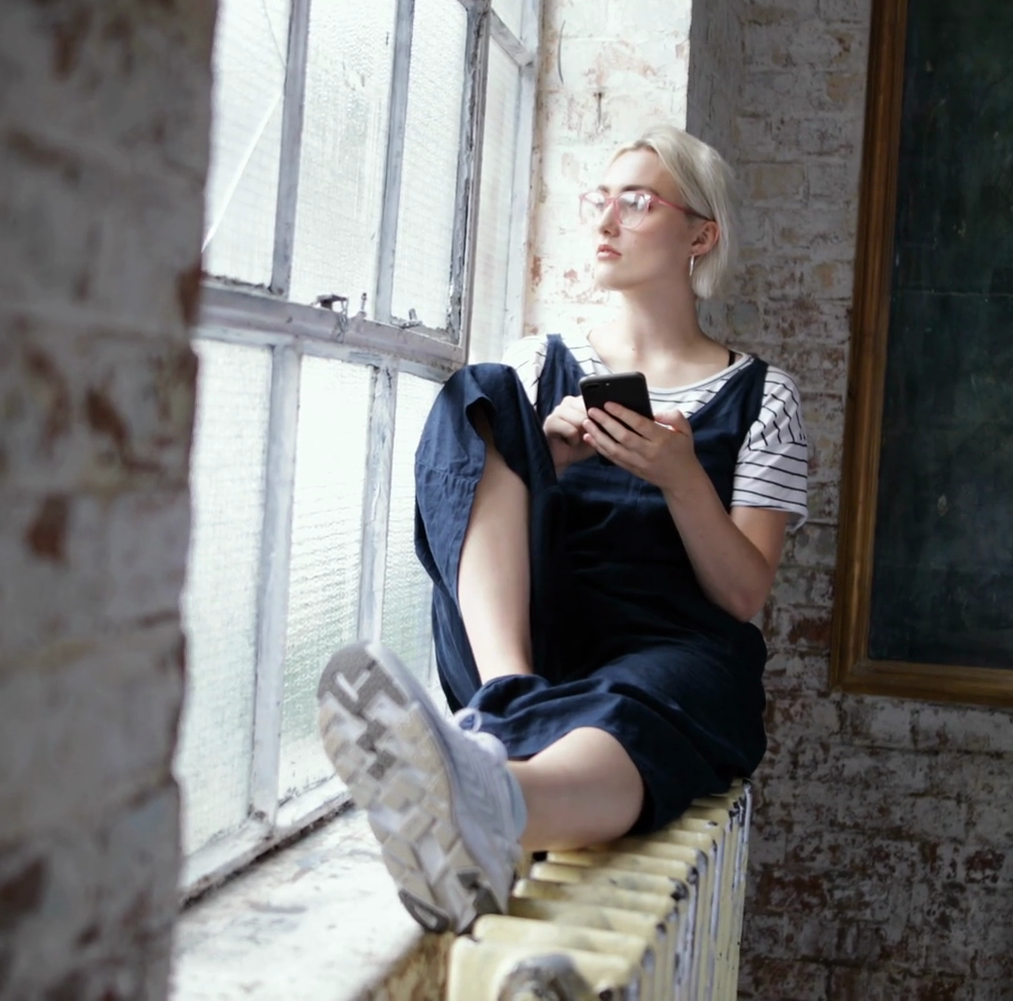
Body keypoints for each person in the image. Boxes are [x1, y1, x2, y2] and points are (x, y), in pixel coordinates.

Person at [316, 126, 810, 934]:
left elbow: (742, 594)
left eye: (636, 201)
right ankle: (508, 708)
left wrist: (684, 479)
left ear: (701, 235)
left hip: (672, 647)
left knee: (646, 705)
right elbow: (470, 504)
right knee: (478, 392)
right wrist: (542, 462)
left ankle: (495, 802)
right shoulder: (540, 365)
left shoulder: (764, 396)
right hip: (524, 638)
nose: (606, 220)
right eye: (599, 200)